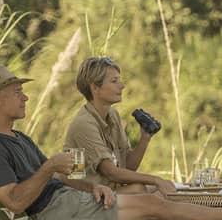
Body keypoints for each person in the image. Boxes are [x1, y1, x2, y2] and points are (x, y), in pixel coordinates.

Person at [0, 64, 222, 220]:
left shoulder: (20, 137)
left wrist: (89, 188)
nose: (26, 96)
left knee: (151, 219)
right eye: (17, 92)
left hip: (69, 201)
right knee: (152, 204)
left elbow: (59, 178)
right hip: (56, 213)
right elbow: (14, 202)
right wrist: (49, 168)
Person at [64, 55, 174, 194]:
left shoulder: (113, 116)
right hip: (88, 196)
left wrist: (145, 139)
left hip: (110, 192)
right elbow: (110, 172)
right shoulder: (84, 124)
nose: (122, 86)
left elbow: (127, 168)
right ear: (95, 88)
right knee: (141, 189)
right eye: (114, 81)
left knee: (163, 188)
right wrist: (156, 179)